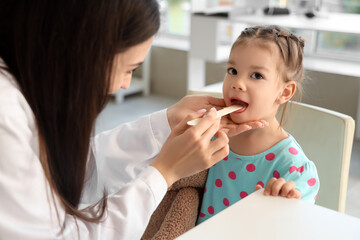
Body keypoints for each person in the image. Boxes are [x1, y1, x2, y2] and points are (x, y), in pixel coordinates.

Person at [0, 1, 268, 239]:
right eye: (128, 69)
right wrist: (165, 172)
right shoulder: (6, 115)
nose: (125, 84)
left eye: (257, 75)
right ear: (84, 48)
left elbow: (74, 172)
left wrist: (166, 122)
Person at [196, 26, 320, 225]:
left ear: (284, 93)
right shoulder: (211, 135)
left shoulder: (295, 169)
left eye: (256, 75)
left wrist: (283, 206)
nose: (237, 83)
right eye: (233, 71)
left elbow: (295, 228)